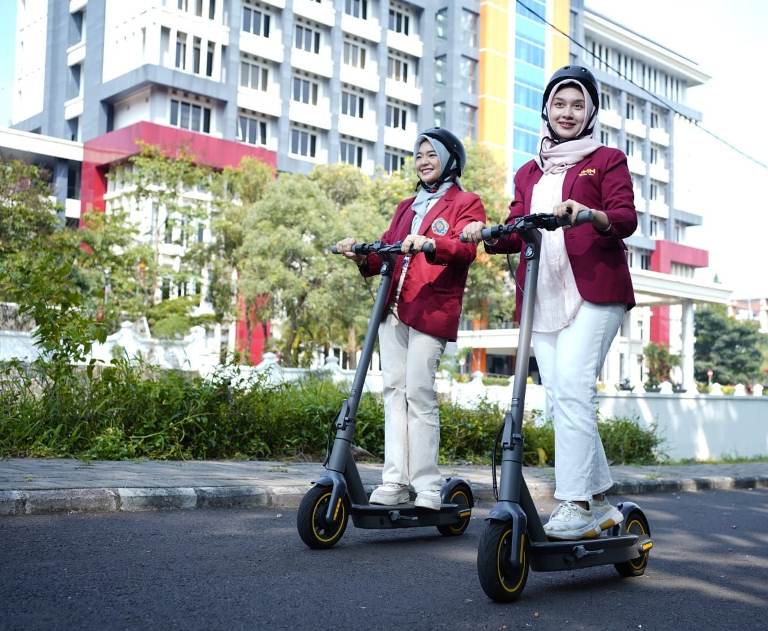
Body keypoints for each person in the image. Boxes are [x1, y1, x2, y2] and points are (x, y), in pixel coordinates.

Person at [462, 66, 637, 539]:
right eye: (560, 103)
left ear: (590, 112)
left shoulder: (607, 159)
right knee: (561, 400)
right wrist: (486, 233)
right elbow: (517, 230)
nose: (567, 112)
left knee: (576, 392)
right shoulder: (529, 171)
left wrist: (588, 214)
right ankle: (599, 501)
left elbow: (624, 219)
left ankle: (576, 504)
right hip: (542, 294)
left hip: (595, 292)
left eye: (577, 104)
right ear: (546, 109)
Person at [336, 128, 486, 510]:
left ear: (450, 159)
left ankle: (428, 486)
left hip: (431, 310)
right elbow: (386, 253)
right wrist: (359, 254)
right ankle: (394, 481)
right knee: (393, 393)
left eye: (431, 154)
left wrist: (432, 244)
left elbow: (465, 250)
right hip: (393, 310)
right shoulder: (406, 206)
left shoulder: (465, 202)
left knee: (419, 392)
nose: (423, 161)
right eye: (419, 155)